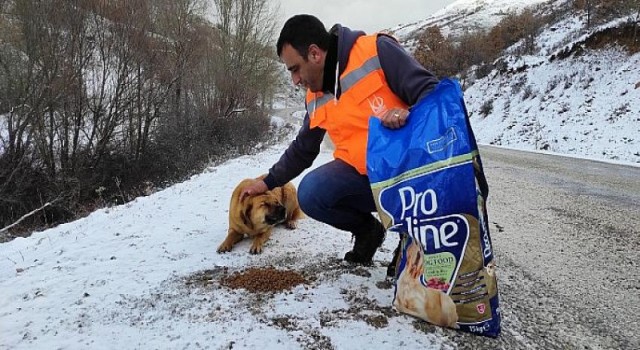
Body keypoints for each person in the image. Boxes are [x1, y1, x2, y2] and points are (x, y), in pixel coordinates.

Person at [240, 14, 439, 268]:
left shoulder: (375, 51)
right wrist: (267, 182)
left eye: (295, 69)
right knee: (312, 192)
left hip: (408, 175)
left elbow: (431, 91)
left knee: (410, 274)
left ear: (314, 54)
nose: (295, 80)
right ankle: (369, 231)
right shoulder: (314, 96)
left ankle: (410, 236)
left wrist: (407, 115)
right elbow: (303, 149)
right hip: (365, 178)